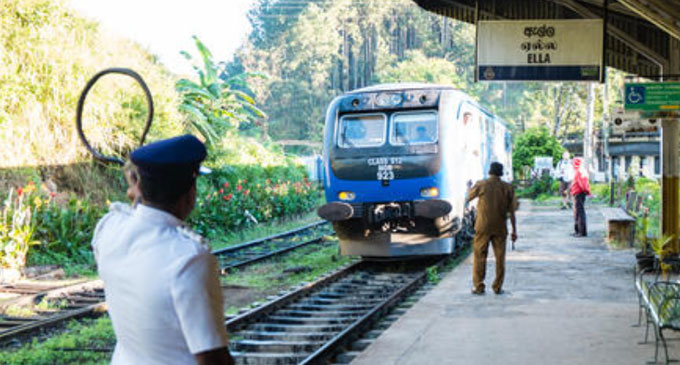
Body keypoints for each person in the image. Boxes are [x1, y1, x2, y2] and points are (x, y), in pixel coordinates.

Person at [92, 135, 234, 365]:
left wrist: (138, 185)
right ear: (190, 191)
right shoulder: (190, 259)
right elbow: (211, 358)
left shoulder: (107, 231)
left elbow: (127, 213)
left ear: (138, 185)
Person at [466, 162, 518, 295]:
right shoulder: (507, 188)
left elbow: (468, 197)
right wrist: (514, 230)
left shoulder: (481, 184)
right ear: (501, 173)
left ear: (489, 172)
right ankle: (497, 287)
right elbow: (512, 212)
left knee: (479, 256)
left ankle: (478, 286)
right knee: (500, 258)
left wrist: (468, 188)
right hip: (500, 227)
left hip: (482, 226)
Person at [570, 157, 590, 237]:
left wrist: (586, 191)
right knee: (577, 212)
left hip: (579, 193)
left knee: (579, 213)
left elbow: (582, 184)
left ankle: (581, 232)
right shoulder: (580, 171)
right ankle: (578, 230)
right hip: (578, 193)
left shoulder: (579, 171)